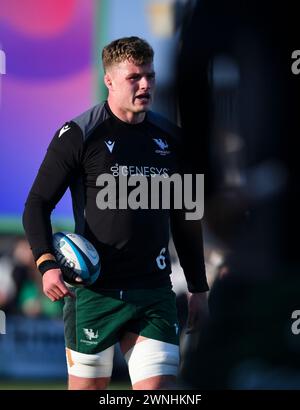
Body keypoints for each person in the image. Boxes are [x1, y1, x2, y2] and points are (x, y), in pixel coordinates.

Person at [22, 36, 209, 390]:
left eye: (150, 77)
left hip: (153, 292)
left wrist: (198, 288)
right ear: (109, 80)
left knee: (159, 392)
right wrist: (46, 264)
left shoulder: (172, 139)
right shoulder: (79, 133)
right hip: (94, 293)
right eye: (134, 77)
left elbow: (186, 217)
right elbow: (37, 205)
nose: (145, 85)